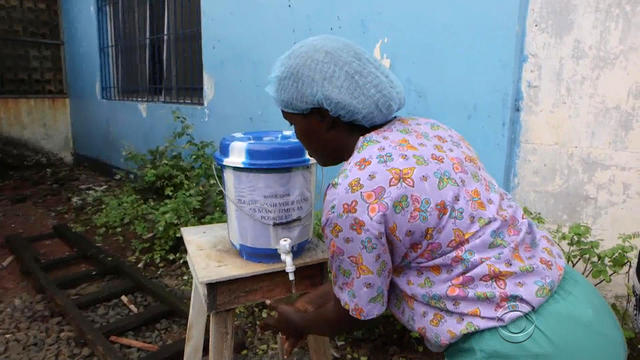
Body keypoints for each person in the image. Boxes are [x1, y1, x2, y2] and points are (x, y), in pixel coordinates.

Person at [261, 35, 627, 359]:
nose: (296, 137)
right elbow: (389, 269)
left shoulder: (352, 194)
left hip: (517, 344)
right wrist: (320, 298)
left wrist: (296, 318)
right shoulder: (430, 133)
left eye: (294, 124)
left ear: (325, 117)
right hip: (580, 311)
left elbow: (356, 313)